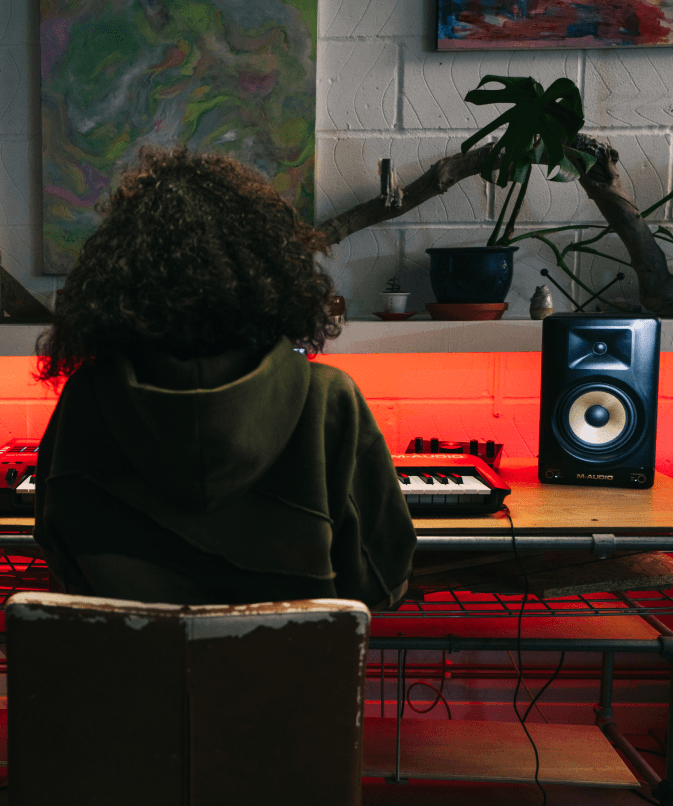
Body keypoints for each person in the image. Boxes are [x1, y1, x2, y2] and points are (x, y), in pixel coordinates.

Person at [32, 145, 415, 609]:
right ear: (270, 270)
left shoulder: (86, 400)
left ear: (119, 278)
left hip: (123, 659)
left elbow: (60, 562)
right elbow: (382, 585)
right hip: (287, 660)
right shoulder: (330, 402)